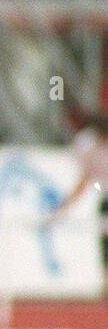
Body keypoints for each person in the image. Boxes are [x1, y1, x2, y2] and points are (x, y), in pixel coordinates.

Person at [48, 112, 108, 295]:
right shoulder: (91, 151)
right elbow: (84, 181)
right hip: (106, 200)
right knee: (105, 243)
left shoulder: (92, 150)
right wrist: (64, 206)